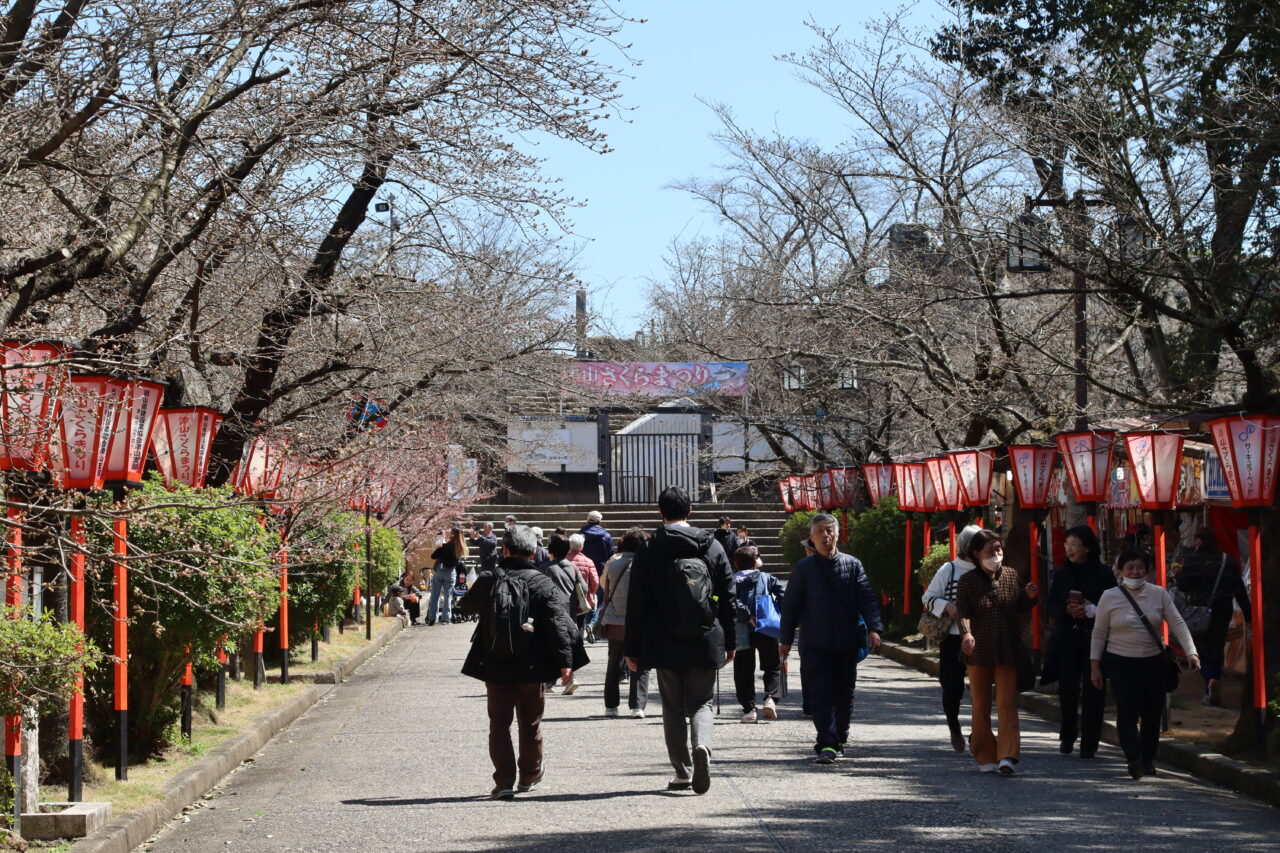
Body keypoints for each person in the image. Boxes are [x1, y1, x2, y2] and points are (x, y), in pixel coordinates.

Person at [625, 486, 735, 795]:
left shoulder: (649, 548)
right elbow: (727, 596)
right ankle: (702, 745)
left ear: (660, 512)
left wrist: (632, 648)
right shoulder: (710, 545)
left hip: (664, 640)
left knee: (672, 707)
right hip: (706, 635)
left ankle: (683, 772)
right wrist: (730, 641)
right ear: (690, 511)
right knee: (701, 702)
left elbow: (637, 603)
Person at [459, 525, 575, 800]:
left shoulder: (489, 579)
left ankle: (504, 782)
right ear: (534, 552)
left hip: (495, 662)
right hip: (532, 664)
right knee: (530, 722)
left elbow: (466, 606)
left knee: (499, 723)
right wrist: (565, 662)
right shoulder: (541, 581)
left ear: (505, 550)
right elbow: (558, 624)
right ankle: (530, 774)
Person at [779, 513, 882, 764]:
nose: (826, 536)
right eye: (820, 532)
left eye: (829, 531)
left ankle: (840, 738)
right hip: (814, 642)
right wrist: (785, 640)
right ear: (812, 538)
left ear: (836, 534)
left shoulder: (853, 564)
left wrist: (874, 628)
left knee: (844, 694)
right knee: (820, 694)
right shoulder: (804, 569)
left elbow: (867, 598)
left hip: (846, 641)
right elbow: (791, 606)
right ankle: (826, 742)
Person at [1092, 549, 1200, 779]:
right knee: (1127, 712)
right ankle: (1133, 758)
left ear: (1148, 570)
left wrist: (1191, 652)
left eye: (1140, 566)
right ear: (1120, 570)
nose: (1136, 571)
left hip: (1153, 662)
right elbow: (1099, 634)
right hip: (1120, 662)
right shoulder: (1109, 596)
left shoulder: (1159, 594)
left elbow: (1178, 623)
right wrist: (1095, 665)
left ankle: (1148, 759)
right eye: (1130, 566)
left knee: (1152, 714)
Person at [956, 528, 1039, 776]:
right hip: (979, 649)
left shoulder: (1012, 576)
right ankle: (985, 755)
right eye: (990, 550)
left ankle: (1008, 755)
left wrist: (1030, 597)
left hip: (1006, 648)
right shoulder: (968, 581)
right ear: (975, 553)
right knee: (980, 705)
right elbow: (963, 611)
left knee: (1006, 704)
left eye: (999, 548)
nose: (997, 553)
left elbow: (1019, 608)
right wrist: (966, 633)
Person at [1041, 525, 1115, 758]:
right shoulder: (1062, 574)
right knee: (1067, 689)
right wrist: (1067, 609)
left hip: (1096, 637)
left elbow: (1114, 603)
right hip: (1068, 638)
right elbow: (1050, 604)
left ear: (1088, 548)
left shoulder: (1104, 574)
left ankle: (1090, 741)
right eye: (1068, 544)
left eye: (1075, 544)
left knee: (1095, 688)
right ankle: (1068, 734)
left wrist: (1091, 609)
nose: (1070, 549)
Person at [920, 524, 982, 752]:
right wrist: (947, 606)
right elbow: (928, 597)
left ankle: (979, 730)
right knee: (952, 686)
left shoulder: (986, 569)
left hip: (980, 636)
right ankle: (954, 726)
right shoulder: (950, 569)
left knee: (981, 688)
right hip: (953, 637)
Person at [1172, 527, 1250, 706]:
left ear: (1199, 541)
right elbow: (1239, 590)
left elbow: (1183, 586)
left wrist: (1179, 573)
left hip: (1199, 610)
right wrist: (1248, 615)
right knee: (1216, 646)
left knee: (1199, 649)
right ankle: (1214, 680)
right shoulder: (1227, 560)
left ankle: (1210, 681)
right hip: (1223, 609)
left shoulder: (1192, 560)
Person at [599, 526, 650, 718]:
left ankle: (611, 705)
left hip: (615, 620)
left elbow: (605, 589)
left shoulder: (613, 563)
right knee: (641, 662)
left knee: (614, 662)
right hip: (641, 621)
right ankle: (637, 705)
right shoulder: (646, 564)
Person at [731, 545, 784, 723]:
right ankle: (770, 698)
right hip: (766, 626)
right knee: (772, 666)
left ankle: (749, 710)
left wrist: (746, 615)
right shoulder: (767, 578)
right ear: (756, 563)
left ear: (736, 565)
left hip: (741, 628)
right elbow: (784, 595)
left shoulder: (732, 581)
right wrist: (780, 613)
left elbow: (729, 601)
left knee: (743, 669)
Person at [540, 534, 591, 695]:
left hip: (553, 610)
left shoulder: (546, 568)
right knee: (565, 645)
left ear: (551, 550)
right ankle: (567, 679)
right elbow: (585, 588)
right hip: (570, 611)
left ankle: (555, 681)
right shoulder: (573, 567)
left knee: (552, 645)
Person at [429, 529, 468, 626]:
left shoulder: (445, 545)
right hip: (450, 572)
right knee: (448, 596)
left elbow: (433, 556)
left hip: (439, 570)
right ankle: (445, 619)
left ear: (452, 535)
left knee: (435, 595)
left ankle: (432, 618)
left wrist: (439, 547)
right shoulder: (461, 547)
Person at [567, 533, 600, 625]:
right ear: (582, 547)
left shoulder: (564, 560)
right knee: (581, 622)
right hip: (583, 597)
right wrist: (591, 592)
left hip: (567, 596)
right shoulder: (588, 561)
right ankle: (580, 638)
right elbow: (595, 581)